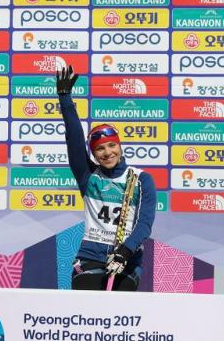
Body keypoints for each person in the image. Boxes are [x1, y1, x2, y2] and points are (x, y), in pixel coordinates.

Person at [56, 66, 157, 291]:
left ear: (120, 146)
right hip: (91, 255)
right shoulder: (89, 177)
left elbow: (144, 224)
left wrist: (126, 251)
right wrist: (65, 99)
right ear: (93, 153)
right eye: (99, 148)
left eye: (112, 145)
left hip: (127, 258)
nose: (107, 152)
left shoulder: (141, 179)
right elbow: (73, 138)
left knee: (120, 317)